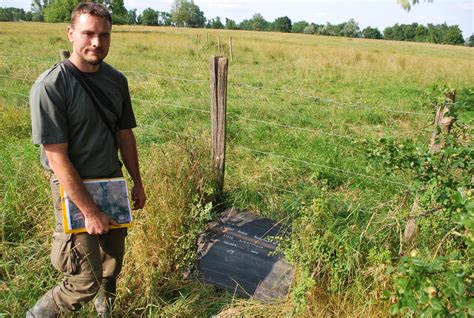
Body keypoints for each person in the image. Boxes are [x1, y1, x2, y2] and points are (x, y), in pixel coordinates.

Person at [27, 3, 146, 317]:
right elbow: (57, 158)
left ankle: (104, 311)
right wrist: (89, 210)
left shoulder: (116, 81)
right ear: (70, 34)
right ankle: (37, 314)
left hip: (112, 183)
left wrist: (137, 182)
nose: (96, 42)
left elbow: (125, 135)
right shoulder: (51, 86)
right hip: (73, 189)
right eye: (88, 33)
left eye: (104, 35)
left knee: (112, 265)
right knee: (83, 279)